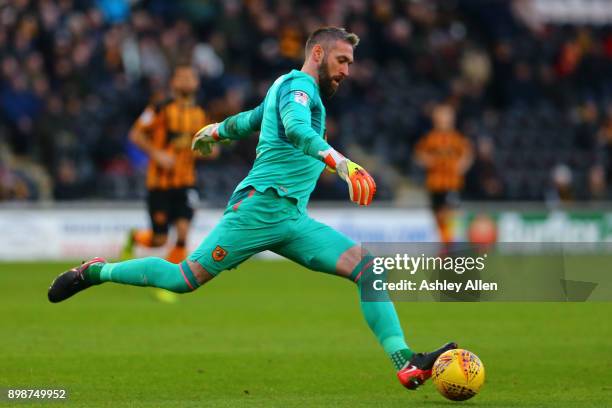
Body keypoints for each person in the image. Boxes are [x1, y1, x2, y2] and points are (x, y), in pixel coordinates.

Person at [48, 27, 455, 390]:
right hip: (259, 209)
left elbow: (253, 120)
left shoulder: (283, 85)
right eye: (342, 60)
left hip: (292, 218)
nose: (347, 70)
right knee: (182, 279)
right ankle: (96, 271)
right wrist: (341, 162)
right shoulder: (300, 87)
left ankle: (405, 363)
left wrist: (215, 130)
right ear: (317, 54)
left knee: (369, 269)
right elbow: (295, 129)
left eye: (350, 62)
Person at [121, 64, 217, 266]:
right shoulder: (159, 108)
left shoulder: (201, 114)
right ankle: (135, 238)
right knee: (159, 240)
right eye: (182, 77)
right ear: (173, 82)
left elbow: (208, 146)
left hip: (186, 181)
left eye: (191, 77)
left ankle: (171, 280)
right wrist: (157, 154)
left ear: (197, 82)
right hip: (159, 184)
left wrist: (210, 150)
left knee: (183, 232)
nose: (187, 81)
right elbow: (135, 134)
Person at [414, 103, 473, 246]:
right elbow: (419, 154)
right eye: (441, 115)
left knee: (450, 213)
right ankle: (446, 244)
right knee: (438, 215)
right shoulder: (430, 138)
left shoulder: (457, 138)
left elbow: (467, 153)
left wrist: (461, 165)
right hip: (434, 184)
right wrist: (429, 161)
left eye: (447, 115)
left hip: (452, 183)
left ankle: (452, 245)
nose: (444, 119)